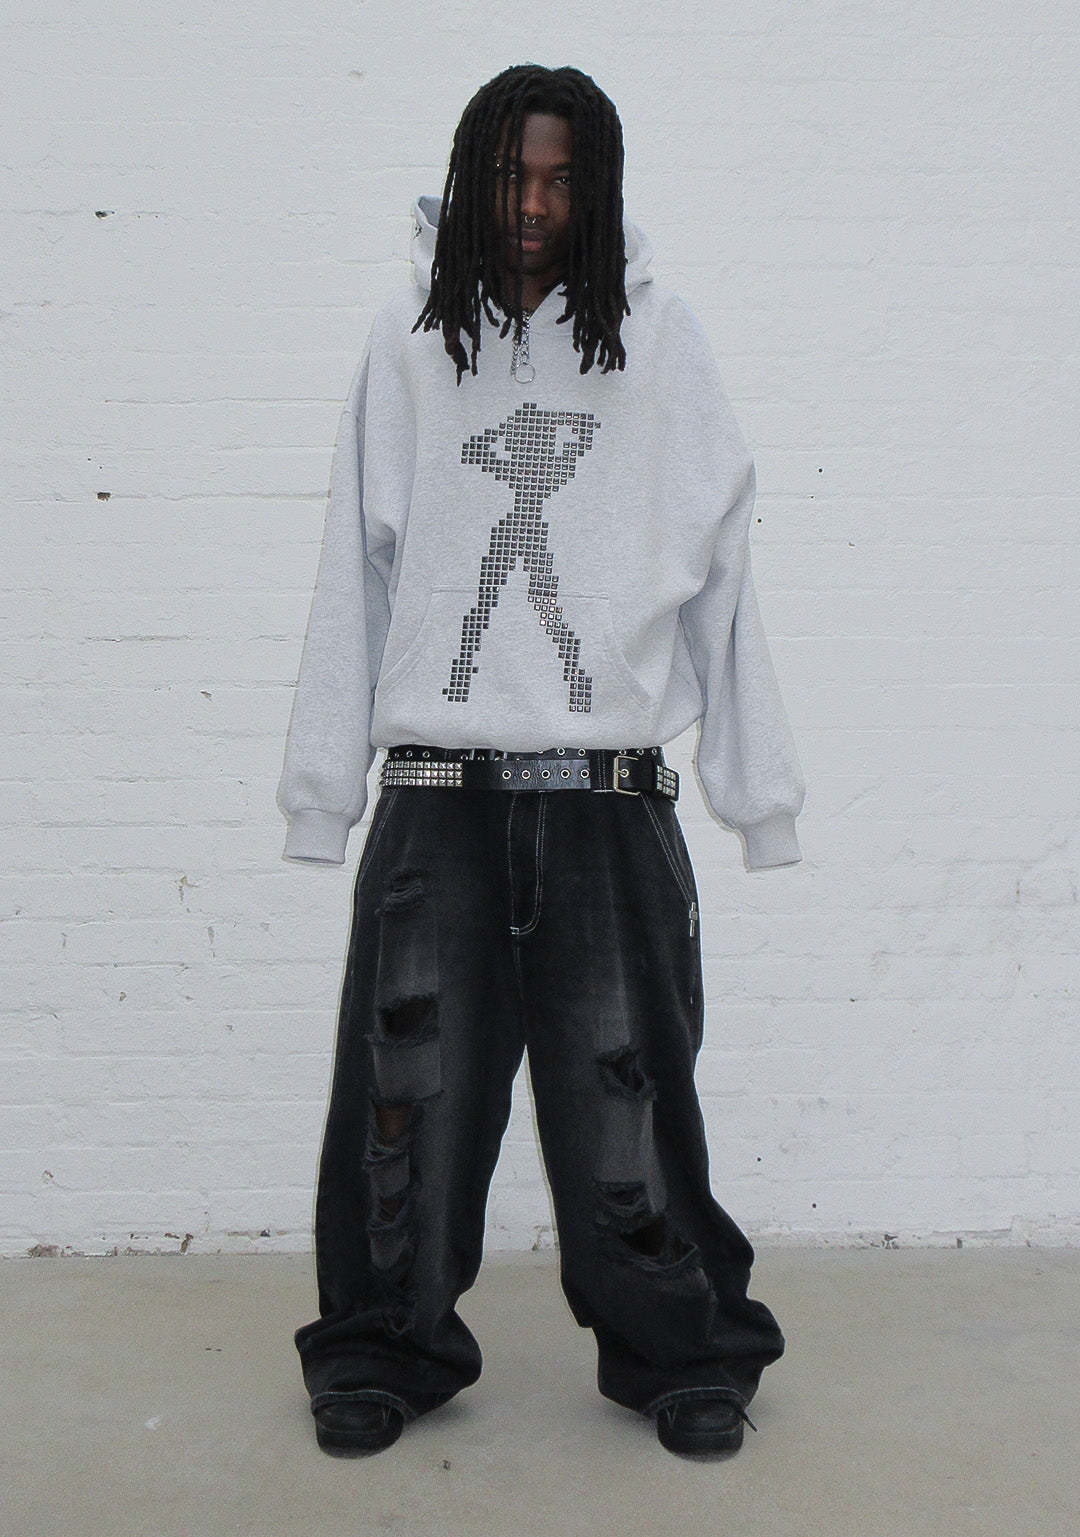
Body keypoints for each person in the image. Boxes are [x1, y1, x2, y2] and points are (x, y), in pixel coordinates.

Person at [276, 63, 806, 1459]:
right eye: (514, 175)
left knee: (628, 1089)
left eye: (564, 179)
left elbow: (726, 566)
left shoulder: (660, 343)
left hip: (603, 799)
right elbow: (355, 574)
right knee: (403, 1094)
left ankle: (682, 1349)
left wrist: (759, 795)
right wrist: (324, 792)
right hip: (437, 798)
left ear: (598, 188)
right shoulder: (408, 344)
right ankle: (382, 1345)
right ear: (475, 178)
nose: (534, 203)